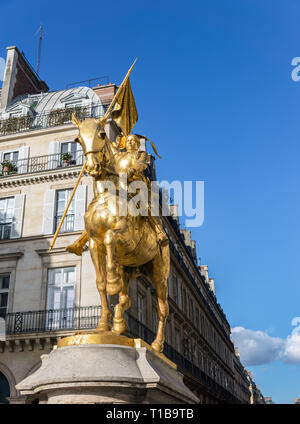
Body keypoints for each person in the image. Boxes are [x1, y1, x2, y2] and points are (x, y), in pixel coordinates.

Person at [66, 134, 167, 256]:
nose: (130, 143)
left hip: (135, 184)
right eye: (128, 141)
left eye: (133, 141)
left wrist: (133, 170)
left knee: (146, 204)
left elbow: (140, 165)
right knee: (99, 210)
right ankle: (80, 241)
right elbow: (108, 149)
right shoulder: (119, 156)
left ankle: (158, 230)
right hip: (119, 186)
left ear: (137, 144)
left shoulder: (140, 154)